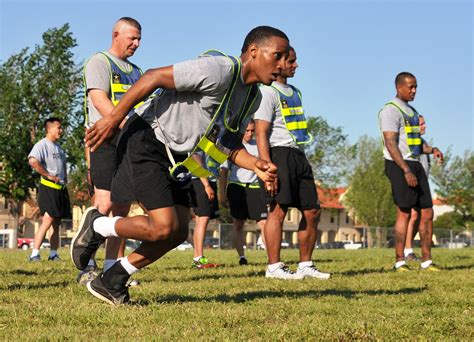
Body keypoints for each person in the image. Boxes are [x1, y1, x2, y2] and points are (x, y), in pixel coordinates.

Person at [72, 26, 286, 305]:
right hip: (148, 138)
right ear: (254, 52)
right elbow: (153, 77)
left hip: (178, 157)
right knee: (162, 226)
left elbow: (224, 144)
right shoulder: (219, 69)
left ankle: (111, 281)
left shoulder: (252, 97)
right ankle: (98, 224)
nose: (282, 65)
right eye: (278, 56)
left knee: (175, 233)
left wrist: (256, 164)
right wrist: (113, 118)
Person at [254, 47, 330, 280]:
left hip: (298, 155)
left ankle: (305, 264)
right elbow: (261, 132)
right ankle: (274, 267)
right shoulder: (267, 92)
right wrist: (266, 166)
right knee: (278, 210)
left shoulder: (295, 91)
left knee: (312, 210)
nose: (296, 65)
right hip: (279, 155)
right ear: (279, 63)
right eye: (292, 61)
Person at [80, 17, 143, 283]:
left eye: (139, 39)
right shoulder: (99, 61)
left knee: (121, 207)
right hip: (105, 139)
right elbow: (100, 101)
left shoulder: (137, 71)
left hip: (128, 142)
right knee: (103, 203)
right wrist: (127, 123)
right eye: (132, 38)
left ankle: (110, 266)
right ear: (116, 35)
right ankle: (85, 265)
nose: (137, 44)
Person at [378, 72, 443, 272]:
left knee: (427, 212)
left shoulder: (413, 112)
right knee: (405, 212)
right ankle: (400, 261)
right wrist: (406, 170)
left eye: (416, 87)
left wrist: (432, 150)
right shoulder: (390, 110)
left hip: (415, 163)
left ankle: (427, 261)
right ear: (399, 87)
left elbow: (415, 144)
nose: (414, 91)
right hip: (399, 164)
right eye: (410, 87)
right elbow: (391, 143)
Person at [219, 120, 268, 265]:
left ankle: (270, 256)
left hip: (255, 188)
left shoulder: (259, 147)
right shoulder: (232, 146)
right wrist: (222, 194)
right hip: (236, 187)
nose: (249, 134)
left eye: (252, 131)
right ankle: (242, 257)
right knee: (238, 224)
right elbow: (223, 172)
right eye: (247, 131)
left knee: (264, 223)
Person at [28, 117, 71, 261]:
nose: (61, 130)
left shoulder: (59, 148)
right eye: (58, 127)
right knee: (47, 220)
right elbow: (33, 161)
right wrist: (48, 176)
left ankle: (53, 254)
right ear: (49, 129)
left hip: (60, 189)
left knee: (56, 223)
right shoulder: (42, 145)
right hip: (48, 188)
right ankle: (34, 253)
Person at [404, 115, 430, 261]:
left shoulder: (423, 143)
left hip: (422, 184)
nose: (425, 126)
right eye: (422, 124)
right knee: (413, 215)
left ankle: (409, 249)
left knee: (418, 216)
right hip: (412, 183)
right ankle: (407, 251)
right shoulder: (409, 143)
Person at [190, 174, 220, 269]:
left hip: (207, 180)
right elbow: (197, 162)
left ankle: (197, 259)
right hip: (200, 181)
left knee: (200, 220)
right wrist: (206, 185)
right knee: (203, 219)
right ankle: (199, 260)